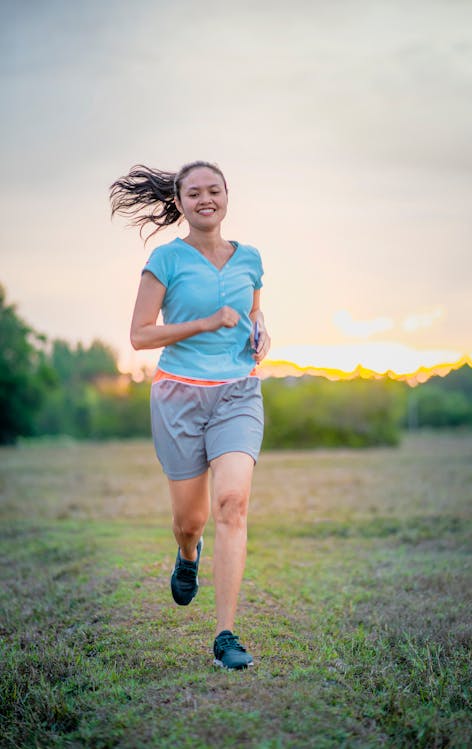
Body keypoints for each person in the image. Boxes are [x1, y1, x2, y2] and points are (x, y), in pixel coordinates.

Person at [109, 160, 270, 670]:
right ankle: (186, 555)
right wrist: (203, 323)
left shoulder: (250, 258)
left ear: (227, 196)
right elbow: (139, 335)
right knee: (189, 520)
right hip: (179, 397)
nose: (206, 199)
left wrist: (261, 327)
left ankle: (225, 635)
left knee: (231, 503)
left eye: (214, 190)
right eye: (194, 192)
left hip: (238, 393)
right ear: (180, 202)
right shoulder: (165, 260)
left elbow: (254, 308)